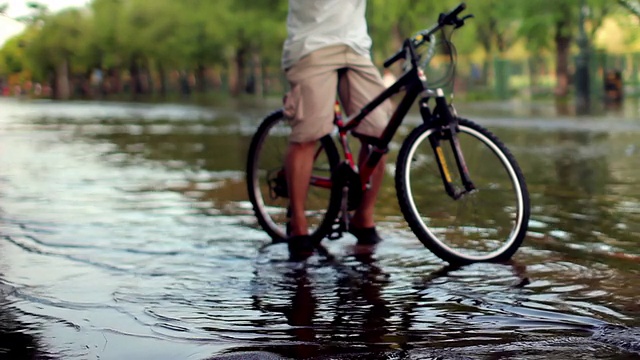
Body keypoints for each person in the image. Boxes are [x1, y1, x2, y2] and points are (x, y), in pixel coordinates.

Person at [282, 0, 393, 260]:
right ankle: (297, 224)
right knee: (307, 135)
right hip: (312, 45)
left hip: (355, 48)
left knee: (380, 133)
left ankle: (363, 217)